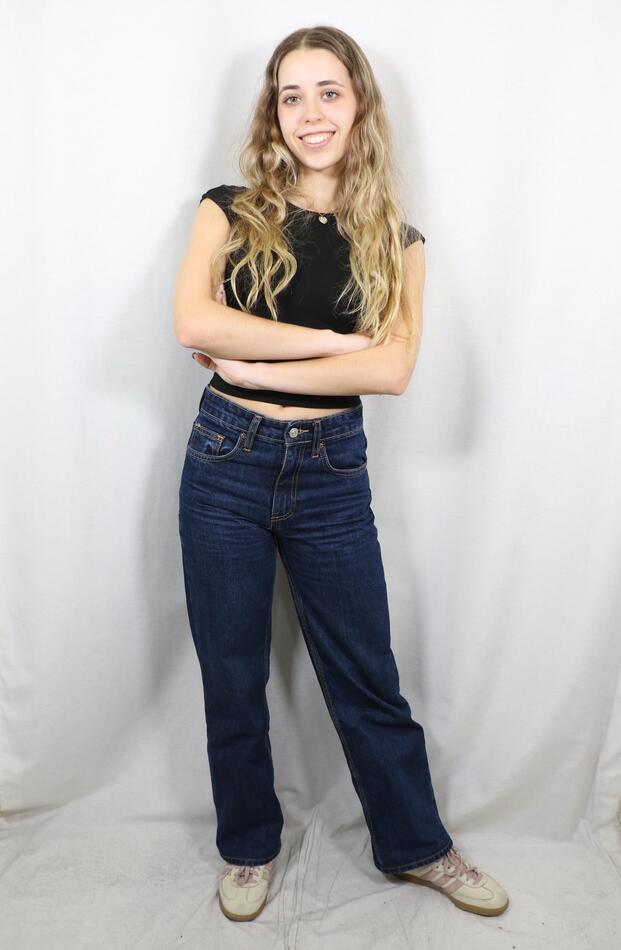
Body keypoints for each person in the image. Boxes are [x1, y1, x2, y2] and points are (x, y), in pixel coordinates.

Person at [173, 25, 509, 922]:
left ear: (358, 104)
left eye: (328, 91)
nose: (310, 113)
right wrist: (331, 343)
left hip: (329, 471)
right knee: (232, 674)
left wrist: (252, 359)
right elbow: (194, 323)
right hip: (225, 461)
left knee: (366, 674)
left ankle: (418, 846)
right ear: (272, 114)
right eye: (291, 96)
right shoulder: (228, 209)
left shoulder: (395, 240)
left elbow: (391, 371)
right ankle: (248, 848)